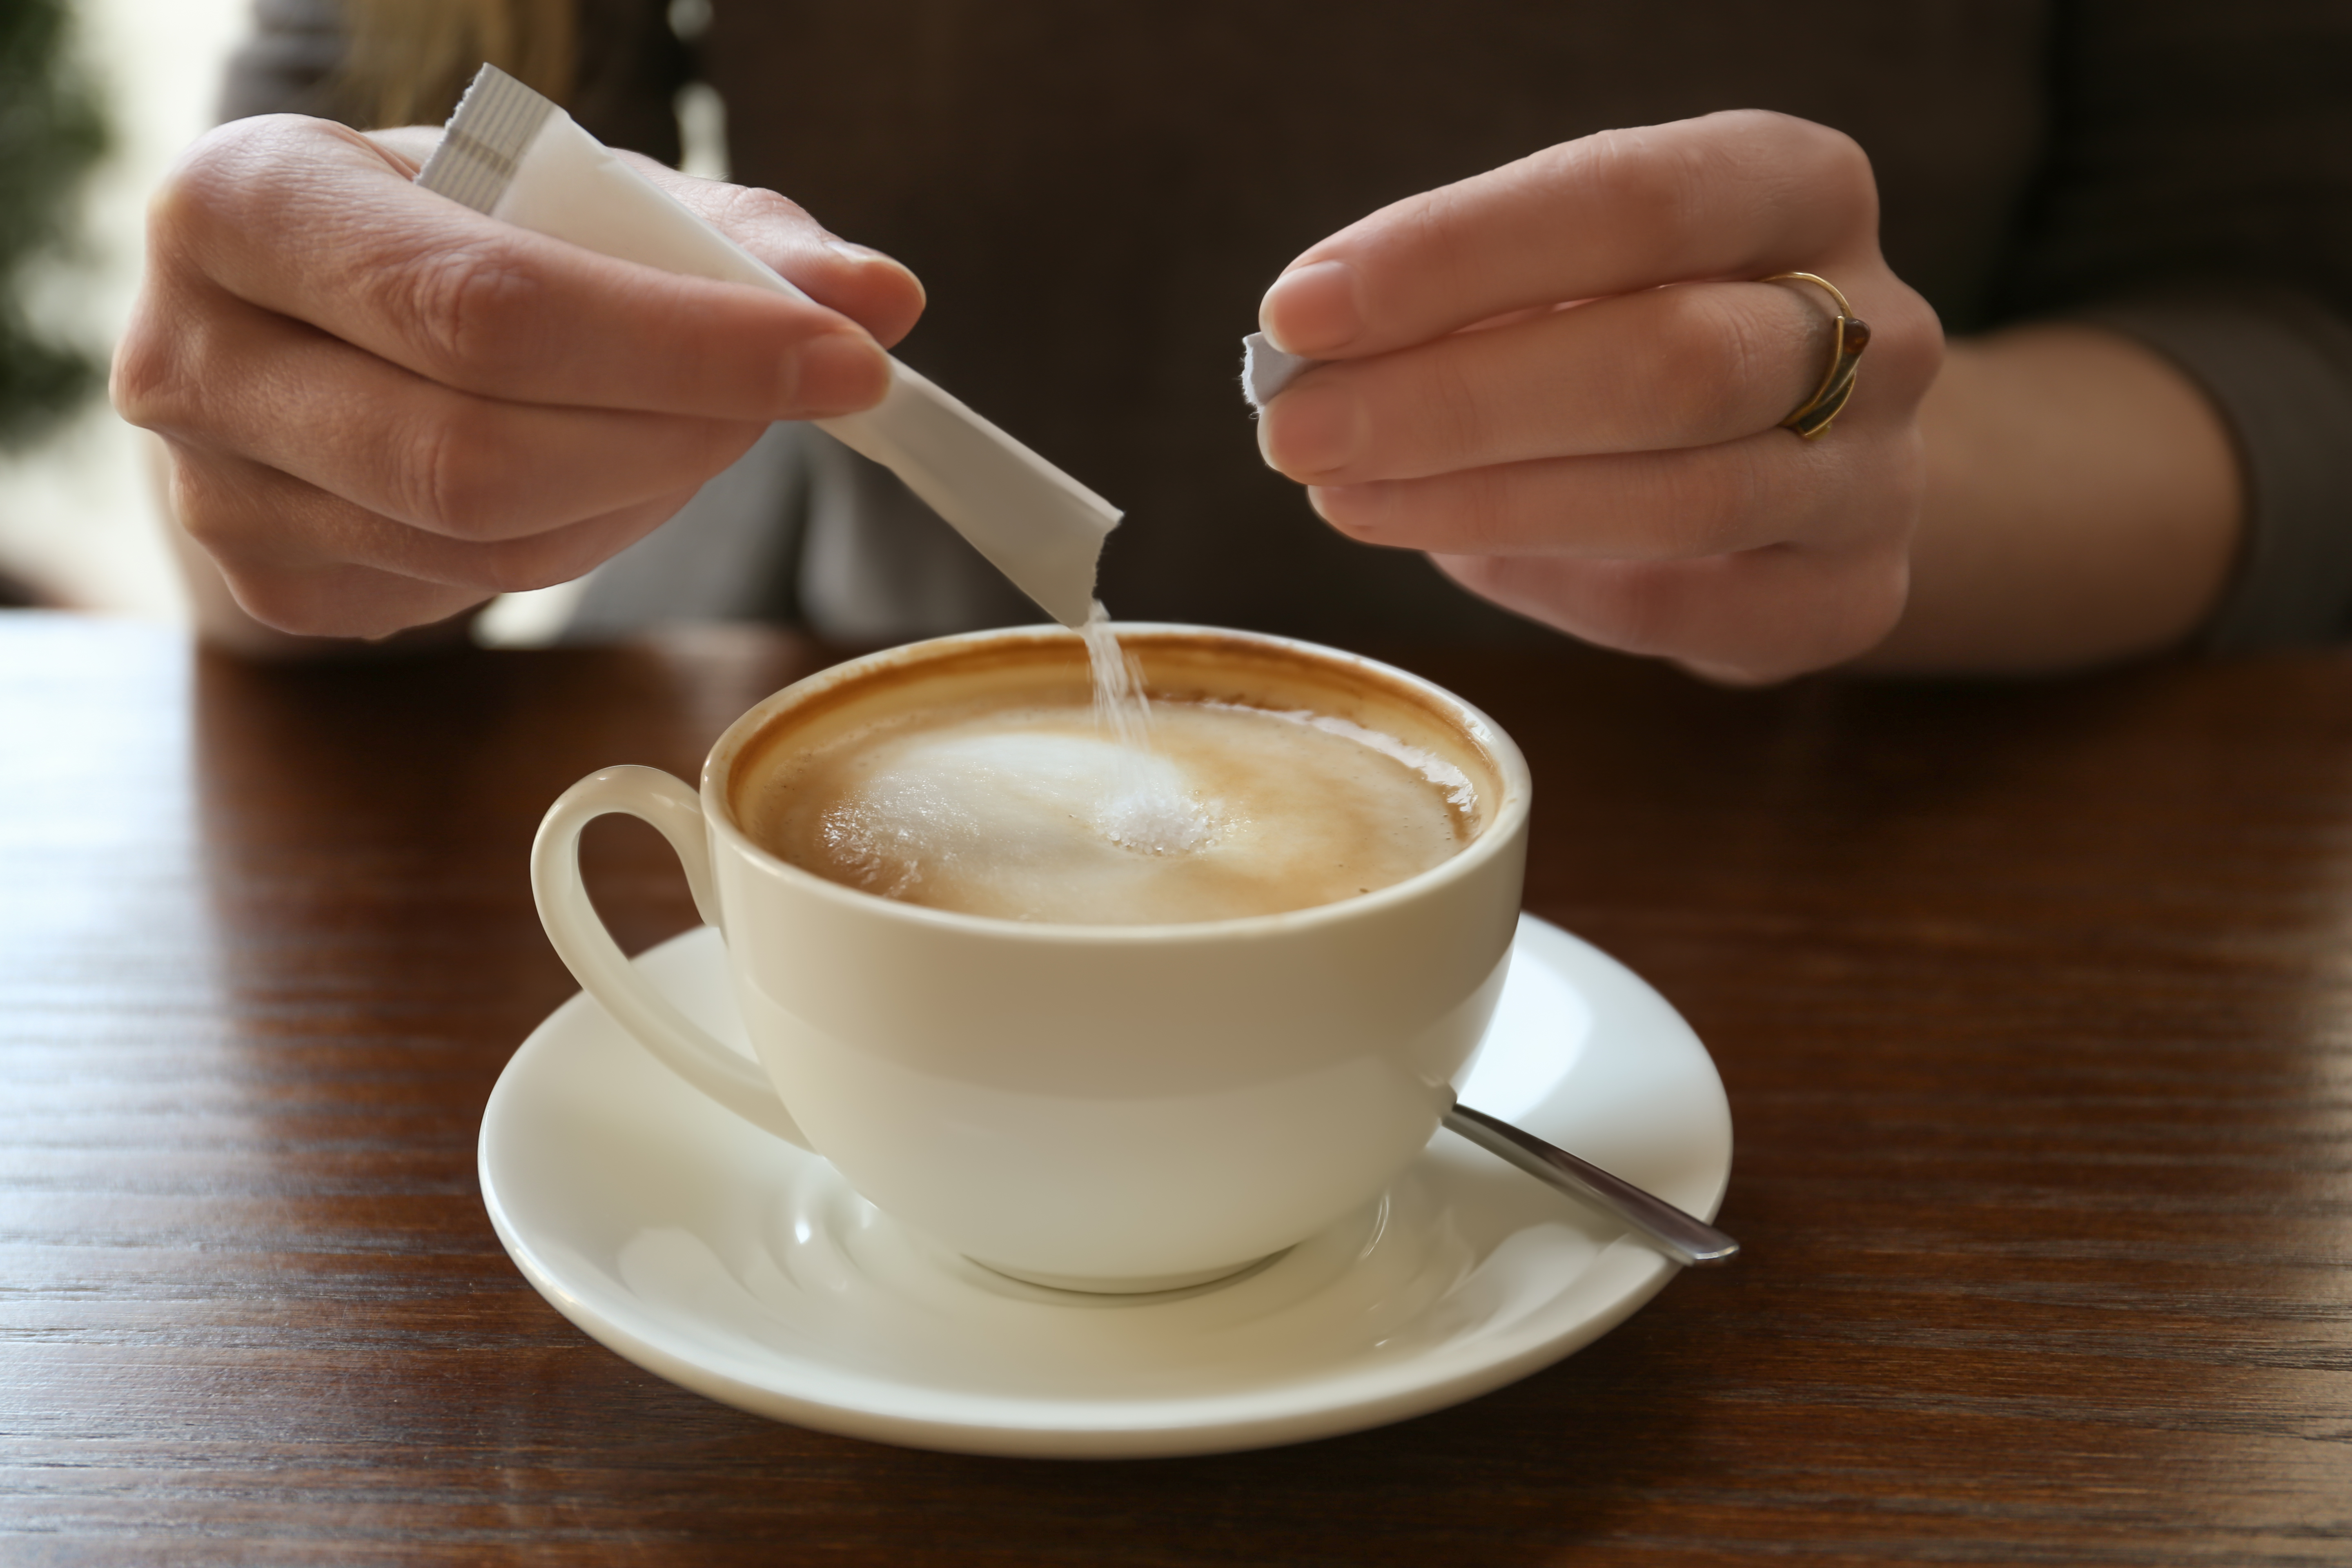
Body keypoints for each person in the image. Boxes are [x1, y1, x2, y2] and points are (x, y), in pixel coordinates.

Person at [114, 0, 2352, 683]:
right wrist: (317, 447)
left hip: (1870, 929)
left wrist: (1849, 464)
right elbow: (334, 213)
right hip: (831, 774)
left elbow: (2291, 331)